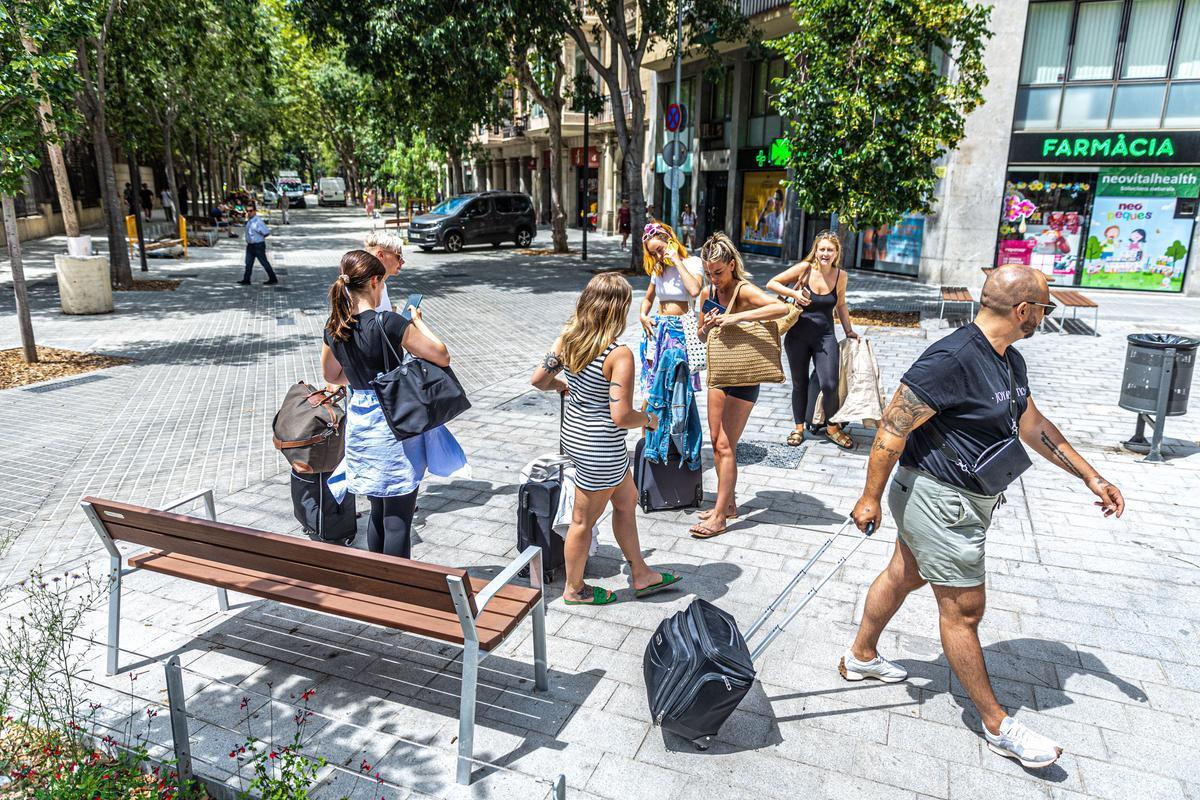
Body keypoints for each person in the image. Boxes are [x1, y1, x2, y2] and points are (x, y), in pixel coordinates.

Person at [845, 265, 1125, 770]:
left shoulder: (1009, 361)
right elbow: (891, 429)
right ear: (1023, 311)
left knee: (904, 573)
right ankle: (997, 725)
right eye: (1044, 307)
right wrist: (869, 498)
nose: (1045, 314)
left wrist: (1091, 476)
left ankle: (861, 657)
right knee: (965, 610)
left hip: (961, 499)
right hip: (938, 501)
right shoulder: (950, 359)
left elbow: (1034, 425)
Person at [530, 273, 682, 606]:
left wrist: (565, 386)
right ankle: (575, 588)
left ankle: (641, 572)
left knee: (626, 502)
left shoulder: (568, 338)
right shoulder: (619, 354)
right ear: (618, 309)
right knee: (583, 522)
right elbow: (622, 417)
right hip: (602, 447)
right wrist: (650, 419)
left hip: (576, 438)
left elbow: (539, 379)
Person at [321, 250, 452, 558]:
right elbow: (441, 355)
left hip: (362, 426)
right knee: (398, 520)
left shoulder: (334, 327)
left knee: (378, 510)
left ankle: (379, 586)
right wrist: (417, 322)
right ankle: (398, 592)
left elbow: (332, 375)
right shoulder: (390, 322)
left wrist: (361, 379)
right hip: (394, 426)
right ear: (376, 281)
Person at [691, 233, 788, 539]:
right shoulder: (709, 291)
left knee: (724, 446)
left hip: (745, 377)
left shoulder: (744, 289)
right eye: (709, 273)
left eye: (718, 272)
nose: (714, 279)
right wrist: (706, 327)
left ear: (731, 265)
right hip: (719, 373)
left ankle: (719, 516)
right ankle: (728, 504)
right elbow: (702, 336)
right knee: (718, 441)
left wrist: (736, 318)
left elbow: (779, 309)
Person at [767, 231, 859, 450]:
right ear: (815, 250)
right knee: (800, 384)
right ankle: (799, 428)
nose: (825, 253)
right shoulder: (805, 269)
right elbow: (772, 283)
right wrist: (796, 295)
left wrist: (849, 331)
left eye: (830, 250)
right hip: (797, 336)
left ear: (837, 253)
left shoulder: (840, 276)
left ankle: (832, 427)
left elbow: (841, 305)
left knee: (830, 383)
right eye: (822, 249)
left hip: (825, 336)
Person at [638, 222, 702, 398]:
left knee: (678, 386)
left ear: (670, 240)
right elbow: (648, 299)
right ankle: (651, 423)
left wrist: (676, 261)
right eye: (653, 253)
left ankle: (676, 424)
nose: (658, 256)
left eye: (659, 249)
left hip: (681, 331)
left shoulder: (692, 263)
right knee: (652, 384)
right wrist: (643, 316)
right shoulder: (658, 270)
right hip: (658, 329)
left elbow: (695, 290)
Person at [363, 230, 406, 312]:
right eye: (399, 256)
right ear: (380, 255)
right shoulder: (364, 288)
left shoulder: (381, 284)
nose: (402, 261)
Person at [238, 205, 278, 285]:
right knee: (248, 263)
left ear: (255, 211)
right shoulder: (250, 221)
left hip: (258, 246)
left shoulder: (258, 221)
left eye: (251, 211)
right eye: (247, 211)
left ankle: (273, 278)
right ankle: (246, 280)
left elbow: (266, 232)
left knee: (264, 262)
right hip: (250, 246)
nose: (249, 212)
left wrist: (259, 238)